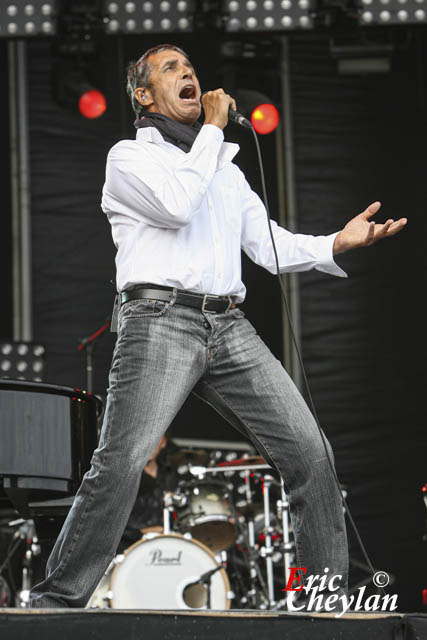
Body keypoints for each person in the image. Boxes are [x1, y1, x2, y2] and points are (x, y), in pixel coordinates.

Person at [29, 43, 406, 609]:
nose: (189, 76)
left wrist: (336, 242)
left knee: (312, 454)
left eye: (191, 69)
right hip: (158, 321)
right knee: (122, 460)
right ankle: (56, 600)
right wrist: (211, 133)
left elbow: (266, 242)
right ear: (143, 94)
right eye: (172, 70)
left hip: (228, 326)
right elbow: (178, 205)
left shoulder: (223, 169)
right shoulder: (129, 159)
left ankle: (324, 605)